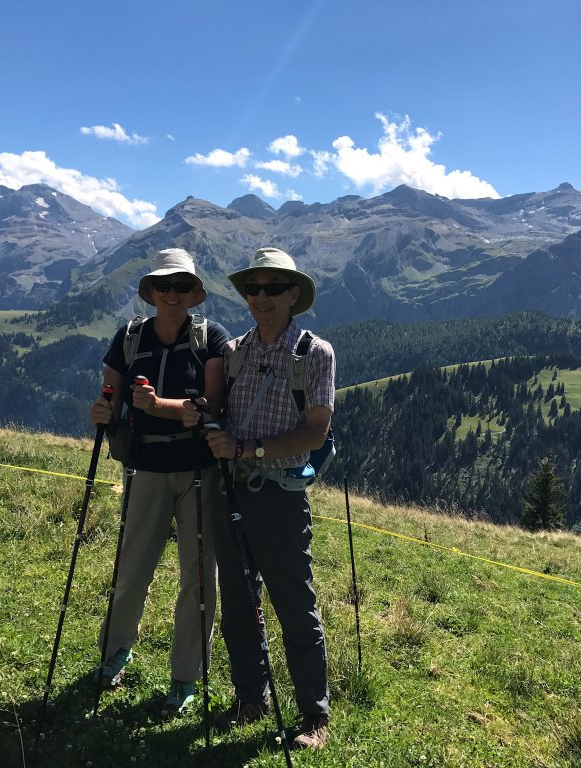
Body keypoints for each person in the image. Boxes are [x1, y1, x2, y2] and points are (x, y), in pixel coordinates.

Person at [184, 247, 335, 750]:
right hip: (229, 490)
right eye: (254, 288)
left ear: (294, 295)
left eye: (273, 289)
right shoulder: (237, 351)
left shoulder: (315, 353)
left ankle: (314, 717)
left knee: (294, 604)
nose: (261, 298)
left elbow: (315, 433)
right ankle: (252, 697)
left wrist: (248, 447)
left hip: (279, 495)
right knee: (238, 601)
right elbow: (223, 410)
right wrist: (202, 414)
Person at [88, 248, 230, 712]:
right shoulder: (129, 338)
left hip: (197, 472)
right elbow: (110, 393)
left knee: (199, 578)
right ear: (152, 292)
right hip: (146, 467)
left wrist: (157, 407)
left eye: (182, 287)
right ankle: (115, 653)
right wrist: (104, 412)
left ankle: (185, 677)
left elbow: (213, 405)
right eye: (164, 286)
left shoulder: (211, 338)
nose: (173, 294)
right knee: (131, 570)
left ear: (193, 293)